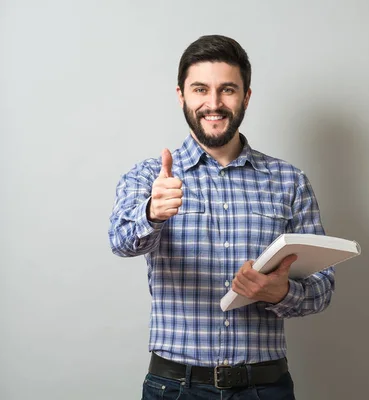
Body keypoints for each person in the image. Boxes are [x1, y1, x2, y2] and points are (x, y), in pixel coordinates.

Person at [108, 35, 334, 400]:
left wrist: (284, 292)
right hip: (175, 388)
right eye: (200, 89)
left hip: (266, 388)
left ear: (246, 97)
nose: (213, 104)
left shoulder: (289, 181)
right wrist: (151, 213)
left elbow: (324, 286)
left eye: (227, 90)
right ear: (181, 95)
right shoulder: (150, 177)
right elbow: (119, 241)